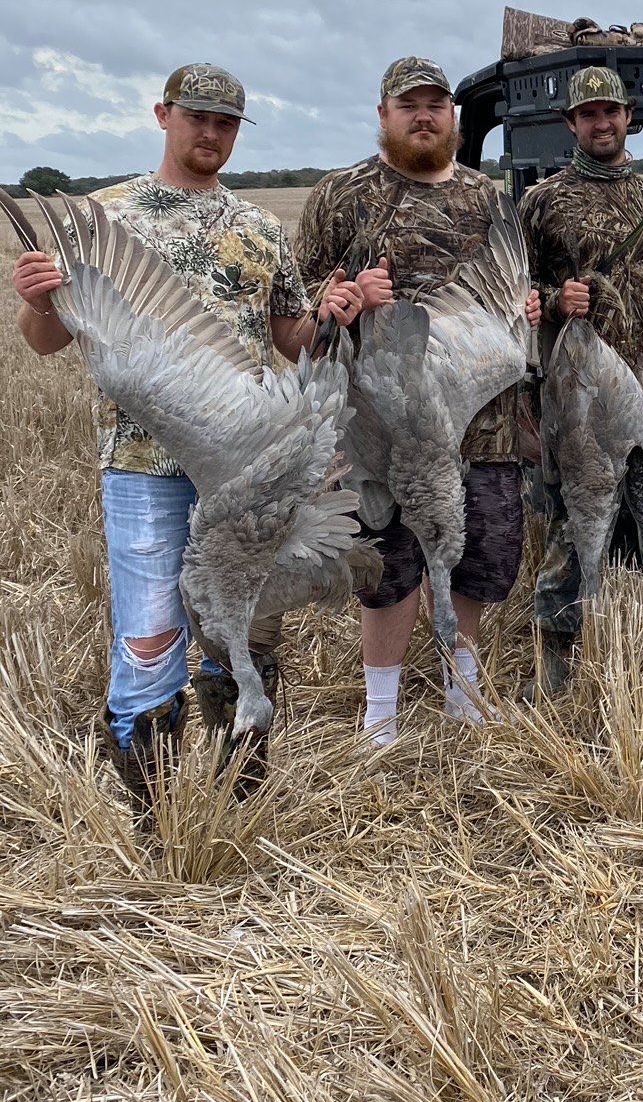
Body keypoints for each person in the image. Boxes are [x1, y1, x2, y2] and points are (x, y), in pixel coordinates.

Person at [9, 64, 359, 816]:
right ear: (163, 114)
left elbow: (290, 339)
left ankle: (237, 805)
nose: (211, 133)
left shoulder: (260, 228)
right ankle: (157, 815)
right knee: (148, 636)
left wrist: (331, 317)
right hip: (142, 465)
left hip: (248, 468)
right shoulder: (108, 215)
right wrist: (39, 301)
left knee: (244, 636)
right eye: (197, 117)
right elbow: (44, 343)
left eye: (226, 123)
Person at [295, 56, 539, 745]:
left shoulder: (487, 200)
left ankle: (462, 688)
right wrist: (341, 304)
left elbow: (507, 295)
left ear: (453, 117)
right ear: (384, 115)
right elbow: (297, 313)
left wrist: (526, 309)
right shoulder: (341, 195)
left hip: (481, 424)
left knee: (481, 552)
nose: (425, 115)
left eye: (437, 103)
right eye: (410, 104)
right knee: (388, 562)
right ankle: (381, 711)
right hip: (379, 427)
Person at [517, 65, 643, 697]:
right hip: (578, 387)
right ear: (571, 123)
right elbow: (512, 297)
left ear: (629, 117)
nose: (602, 123)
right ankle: (561, 647)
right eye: (588, 114)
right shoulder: (541, 203)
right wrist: (552, 296)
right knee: (574, 514)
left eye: (612, 111)